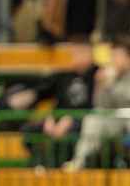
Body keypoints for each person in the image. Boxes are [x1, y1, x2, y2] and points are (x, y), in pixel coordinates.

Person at [67, 40, 130, 171]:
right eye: (113, 56)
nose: (115, 59)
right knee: (92, 119)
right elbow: (100, 105)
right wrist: (101, 85)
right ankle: (79, 162)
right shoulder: (110, 76)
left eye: (118, 55)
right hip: (115, 119)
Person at [10, 40, 97, 168]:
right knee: (29, 129)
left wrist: (71, 120)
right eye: (74, 53)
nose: (75, 57)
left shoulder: (98, 75)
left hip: (83, 119)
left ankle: (68, 165)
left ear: (90, 54)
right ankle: (40, 164)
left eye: (80, 53)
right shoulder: (64, 76)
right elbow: (45, 93)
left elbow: (95, 105)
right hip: (58, 118)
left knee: (74, 131)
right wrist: (49, 118)